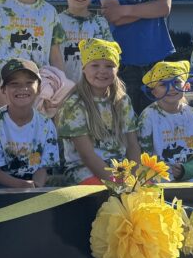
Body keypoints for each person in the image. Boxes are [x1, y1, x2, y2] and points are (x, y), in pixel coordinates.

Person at [56, 38, 140, 185]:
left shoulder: (123, 101)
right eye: (95, 65)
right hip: (84, 169)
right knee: (103, 192)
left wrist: (133, 178)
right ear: (83, 68)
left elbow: (132, 145)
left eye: (109, 66)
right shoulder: (74, 104)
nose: (102, 71)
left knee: (148, 190)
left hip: (121, 168)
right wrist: (116, 183)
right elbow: (87, 155)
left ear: (117, 69)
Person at [0, 59, 59, 188]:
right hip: (2, 188)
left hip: (35, 187)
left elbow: (44, 169)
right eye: (14, 84)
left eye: (29, 83)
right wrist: (23, 186)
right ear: (3, 89)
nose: (23, 88)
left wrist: (35, 186)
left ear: (38, 88)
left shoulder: (46, 124)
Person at [137, 61, 193, 181]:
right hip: (158, 178)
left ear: (186, 86)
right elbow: (143, 156)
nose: (171, 88)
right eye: (163, 84)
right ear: (154, 92)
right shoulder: (148, 117)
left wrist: (188, 169)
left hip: (191, 176)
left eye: (176, 82)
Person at [57, 0, 112, 83]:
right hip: (64, 90)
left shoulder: (101, 24)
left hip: (94, 90)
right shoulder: (55, 22)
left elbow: (111, 57)